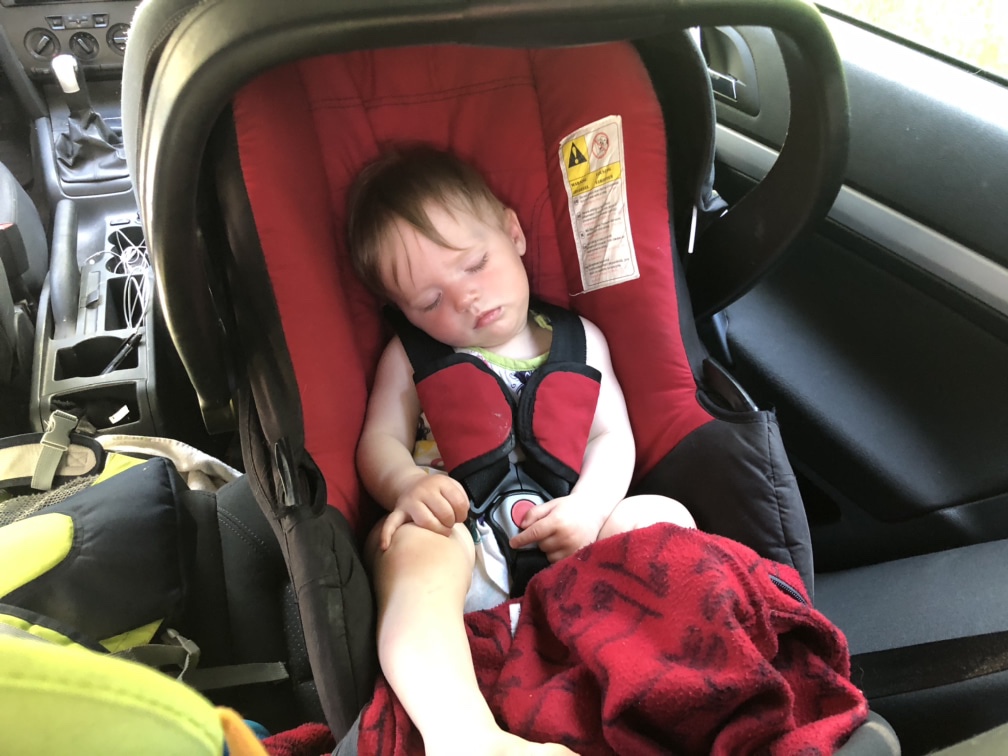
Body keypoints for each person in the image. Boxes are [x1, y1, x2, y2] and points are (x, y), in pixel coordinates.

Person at [347, 146, 695, 756]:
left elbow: (612, 437)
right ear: (402, 311)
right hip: (467, 556)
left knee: (658, 515)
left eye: (475, 264)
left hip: (577, 549)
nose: (465, 299)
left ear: (513, 233)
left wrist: (588, 510)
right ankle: (462, 735)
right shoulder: (410, 357)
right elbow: (379, 440)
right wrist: (407, 485)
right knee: (410, 543)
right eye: (429, 302)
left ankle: (674, 681)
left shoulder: (581, 340)